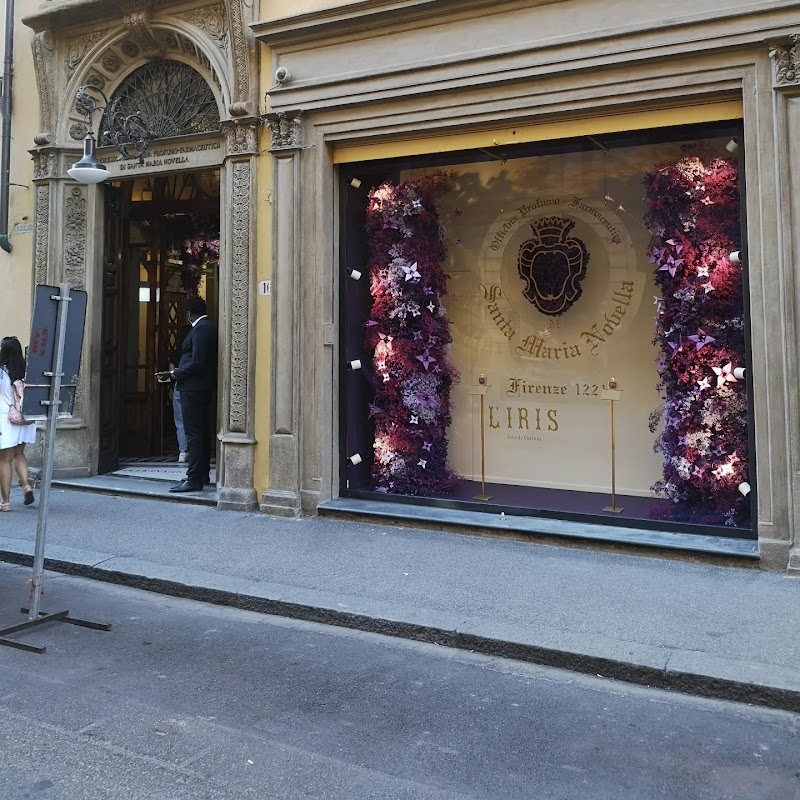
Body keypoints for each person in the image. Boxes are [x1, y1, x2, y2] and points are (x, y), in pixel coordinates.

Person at [165, 297, 217, 493]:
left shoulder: (201, 328)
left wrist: (177, 373)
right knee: (199, 432)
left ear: (188, 313)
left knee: (194, 434)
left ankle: (194, 477)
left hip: (193, 388)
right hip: (197, 387)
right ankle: (201, 473)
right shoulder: (206, 327)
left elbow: (197, 361)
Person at [0, 337, 36, 511]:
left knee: (5, 459)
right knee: (19, 454)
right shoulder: (27, 371)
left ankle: (5, 502)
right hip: (24, 419)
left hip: (6, 419)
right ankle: (26, 486)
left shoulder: (2, 372)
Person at [168, 324, 192, 464]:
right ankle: (194, 450)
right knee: (194, 421)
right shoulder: (192, 352)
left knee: (180, 421)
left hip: (179, 387)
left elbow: (172, 375)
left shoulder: (175, 354)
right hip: (194, 386)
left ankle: (183, 452)